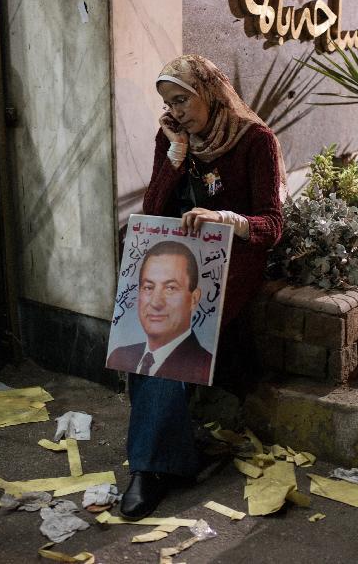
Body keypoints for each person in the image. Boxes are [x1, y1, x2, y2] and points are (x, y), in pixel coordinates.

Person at [119, 54, 285, 520]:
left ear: (209, 92)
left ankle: (149, 471)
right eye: (169, 104)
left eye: (183, 100)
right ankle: (162, 458)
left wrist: (224, 219)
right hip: (179, 257)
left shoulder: (256, 140)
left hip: (230, 259)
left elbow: (272, 225)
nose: (177, 112)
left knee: (170, 329)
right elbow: (153, 208)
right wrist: (174, 153)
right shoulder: (174, 138)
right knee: (143, 321)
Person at [106, 241, 213, 385]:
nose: (156, 303)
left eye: (170, 288)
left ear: (194, 299)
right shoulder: (119, 355)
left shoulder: (204, 367)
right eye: (148, 287)